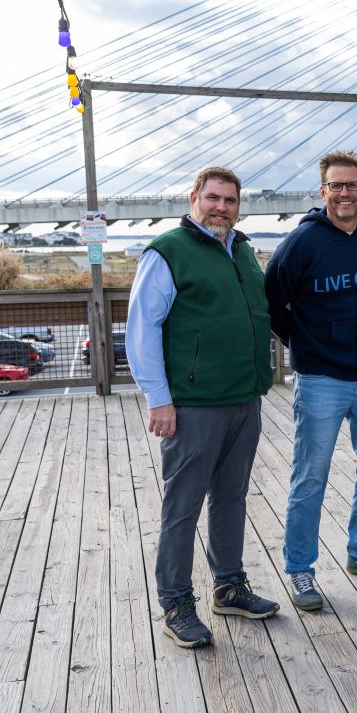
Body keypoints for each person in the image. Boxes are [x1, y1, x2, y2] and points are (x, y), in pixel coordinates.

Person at [127, 165, 278, 648]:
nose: (221, 207)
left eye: (230, 200)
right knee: (183, 506)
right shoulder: (168, 251)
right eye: (213, 198)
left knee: (232, 496)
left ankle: (229, 586)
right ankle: (175, 602)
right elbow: (142, 329)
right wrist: (159, 399)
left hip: (243, 399)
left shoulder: (242, 250)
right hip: (193, 404)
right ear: (193, 198)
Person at [264, 151, 357, 614]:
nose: (345, 193)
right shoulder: (301, 243)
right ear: (323, 191)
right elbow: (273, 302)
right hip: (321, 378)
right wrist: (306, 344)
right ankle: (299, 568)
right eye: (336, 186)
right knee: (311, 476)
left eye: (352, 185)